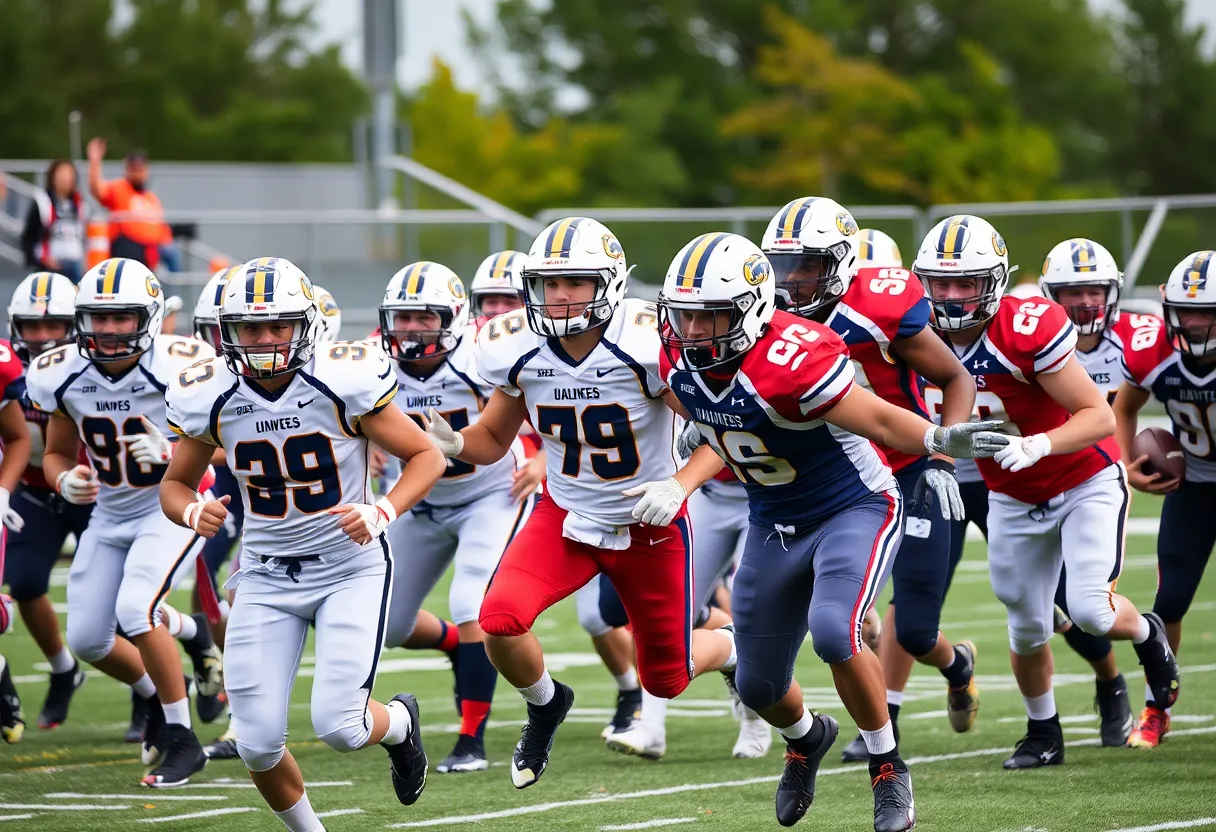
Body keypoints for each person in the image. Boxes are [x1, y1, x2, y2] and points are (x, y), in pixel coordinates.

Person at [653, 231, 1005, 830]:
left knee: (834, 631)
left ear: (750, 310)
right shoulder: (676, 360)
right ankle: (807, 738)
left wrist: (939, 440)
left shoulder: (793, 357)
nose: (690, 331)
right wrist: (698, 440)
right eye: (683, 315)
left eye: (708, 317)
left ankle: (887, 766)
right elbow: (707, 413)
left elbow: (878, 420)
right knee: (759, 686)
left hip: (853, 505)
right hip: (772, 518)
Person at [423, 217, 739, 790]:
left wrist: (680, 484)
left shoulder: (647, 341)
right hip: (565, 516)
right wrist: (455, 443)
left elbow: (721, 431)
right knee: (499, 620)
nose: (561, 295)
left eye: (575, 282)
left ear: (610, 283)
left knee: (665, 679)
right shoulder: (516, 346)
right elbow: (492, 438)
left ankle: (729, 647)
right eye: (550, 283)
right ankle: (546, 703)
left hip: (648, 522)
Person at [161, 256, 443, 830]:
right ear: (227, 332)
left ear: (307, 325)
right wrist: (192, 509)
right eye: (250, 329)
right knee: (256, 743)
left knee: (341, 727)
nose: (265, 339)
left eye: (278, 325)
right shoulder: (209, 393)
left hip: (348, 566)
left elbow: (427, 454)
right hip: (264, 573)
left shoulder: (341, 380)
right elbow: (174, 484)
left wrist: (382, 510)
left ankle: (399, 724)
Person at [912, 215, 1180, 770]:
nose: (953, 296)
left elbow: (1099, 417)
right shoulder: (911, 331)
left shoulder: (1025, 326)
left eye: (966, 282)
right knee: (1027, 625)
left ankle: (1146, 632)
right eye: (941, 282)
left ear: (994, 282)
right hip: (1010, 494)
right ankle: (1043, 733)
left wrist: (1041, 443)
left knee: (1090, 611)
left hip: (1084, 480)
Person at [759, 197, 982, 764]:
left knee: (914, 627)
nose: (790, 279)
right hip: (836, 485)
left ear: (839, 262)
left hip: (905, 469)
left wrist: (943, 459)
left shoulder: (876, 309)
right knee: (849, 620)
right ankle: (883, 724)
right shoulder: (762, 317)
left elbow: (956, 378)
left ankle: (955, 665)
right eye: (781, 265)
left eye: (806, 265)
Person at [26, 257, 213, 786]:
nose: (108, 329)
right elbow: (56, 453)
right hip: (109, 511)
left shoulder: (181, 365)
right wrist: (64, 479)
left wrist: (173, 450)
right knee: (88, 639)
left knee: (136, 609)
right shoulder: (62, 371)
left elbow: (230, 445)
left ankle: (183, 738)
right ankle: (159, 695)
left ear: (148, 318)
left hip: (173, 505)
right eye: (98, 317)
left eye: (121, 317)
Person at [379, 260, 534, 773]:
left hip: (490, 494)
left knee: (471, 602)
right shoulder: (373, 363)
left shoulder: (483, 354)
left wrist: (540, 460)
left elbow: (548, 406)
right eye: (403, 317)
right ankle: (455, 645)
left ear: (453, 317)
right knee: (389, 624)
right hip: (421, 501)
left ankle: (472, 740)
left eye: (425, 317)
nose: (411, 328)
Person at [1036, 237, 1147, 746]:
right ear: (1050, 295)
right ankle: (1110, 682)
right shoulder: (1030, 336)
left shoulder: (1137, 339)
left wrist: (1138, 459)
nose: (1085, 302)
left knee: (1080, 600)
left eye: (1095, 291)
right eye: (1072, 292)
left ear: (1112, 292)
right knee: (1045, 607)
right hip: (1034, 480)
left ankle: (1114, 683)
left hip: (1096, 480)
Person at [1113, 249, 1216, 749]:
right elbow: (1122, 408)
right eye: (1185, 311)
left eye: (1206, 313)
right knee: (1169, 599)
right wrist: (1124, 465)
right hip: (1191, 487)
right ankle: (1158, 707)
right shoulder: (1153, 352)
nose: (1193, 323)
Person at [2, 272, 88, 730]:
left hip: (96, 489)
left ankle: (146, 697)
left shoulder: (93, 362)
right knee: (25, 582)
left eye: (53, 324)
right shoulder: (8, 366)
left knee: (118, 600)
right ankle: (63, 668)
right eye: (31, 325)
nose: (41, 336)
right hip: (34, 488)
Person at [87, 138, 172, 269]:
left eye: (140, 169)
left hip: (151, 250)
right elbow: (96, 189)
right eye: (134, 169)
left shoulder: (151, 198)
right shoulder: (118, 188)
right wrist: (95, 161)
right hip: (127, 248)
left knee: (171, 253)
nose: (137, 173)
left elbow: (163, 228)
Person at [21, 160, 86, 284]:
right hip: (50, 267)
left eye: (69, 174)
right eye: (61, 174)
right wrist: (39, 259)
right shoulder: (42, 202)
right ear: (53, 177)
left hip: (75, 264)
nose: (66, 179)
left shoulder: (80, 203)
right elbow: (28, 237)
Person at [469, 251, 527, 326]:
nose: (500, 311)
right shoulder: (466, 332)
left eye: (510, 303)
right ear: (479, 306)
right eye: (491, 302)